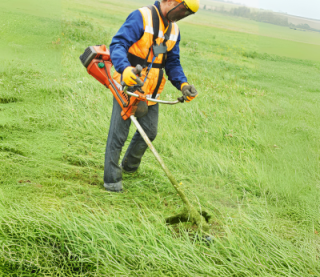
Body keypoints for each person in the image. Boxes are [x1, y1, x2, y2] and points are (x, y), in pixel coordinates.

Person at [104, 0, 200, 192]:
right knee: (119, 134)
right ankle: (112, 180)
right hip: (129, 85)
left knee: (149, 131)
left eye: (187, 13)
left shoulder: (174, 31)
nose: (182, 15)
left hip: (151, 91)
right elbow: (118, 44)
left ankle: (129, 167)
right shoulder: (142, 17)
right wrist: (124, 69)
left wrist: (183, 84)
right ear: (170, 1)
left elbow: (172, 62)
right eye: (182, 9)